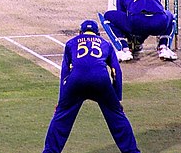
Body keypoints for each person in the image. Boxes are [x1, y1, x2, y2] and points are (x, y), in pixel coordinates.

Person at [42, 20, 141, 153]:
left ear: (80, 32)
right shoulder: (106, 44)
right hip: (100, 81)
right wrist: (117, 99)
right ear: (98, 33)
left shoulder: (71, 43)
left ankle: (50, 151)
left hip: (76, 81)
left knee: (61, 116)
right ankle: (132, 151)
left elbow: (65, 72)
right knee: (117, 116)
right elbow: (116, 71)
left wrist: (61, 101)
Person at [99, 0, 178, 61]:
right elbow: (158, 9)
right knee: (170, 15)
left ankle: (124, 49)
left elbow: (123, 18)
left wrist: (134, 40)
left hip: (136, 22)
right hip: (159, 23)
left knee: (108, 16)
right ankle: (164, 47)